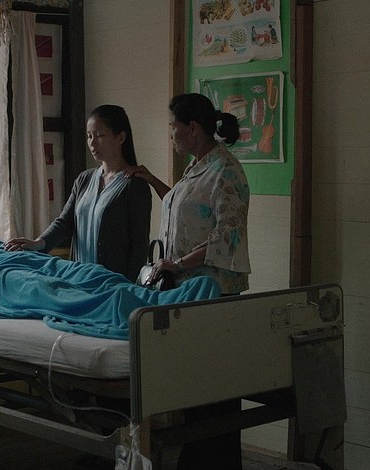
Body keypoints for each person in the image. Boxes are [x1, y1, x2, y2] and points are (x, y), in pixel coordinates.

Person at [126, 92, 251, 469]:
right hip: (188, 290)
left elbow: (227, 235)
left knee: (216, 389)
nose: (171, 135)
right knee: (196, 385)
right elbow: (181, 208)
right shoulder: (198, 166)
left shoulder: (226, 171)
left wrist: (177, 264)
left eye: (173, 127)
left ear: (192, 128)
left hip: (214, 291)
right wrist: (152, 180)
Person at [0, 223, 221, 340]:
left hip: (28, 259)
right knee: (45, 290)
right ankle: (129, 311)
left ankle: (158, 299)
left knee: (92, 274)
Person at [4, 105, 151, 282]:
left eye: (99, 135)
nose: (92, 143)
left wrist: (129, 285)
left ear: (121, 137)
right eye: (89, 136)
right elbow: (64, 222)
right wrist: (38, 243)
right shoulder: (84, 179)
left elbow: (139, 245)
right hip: (79, 278)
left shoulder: (134, 185)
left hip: (112, 283)